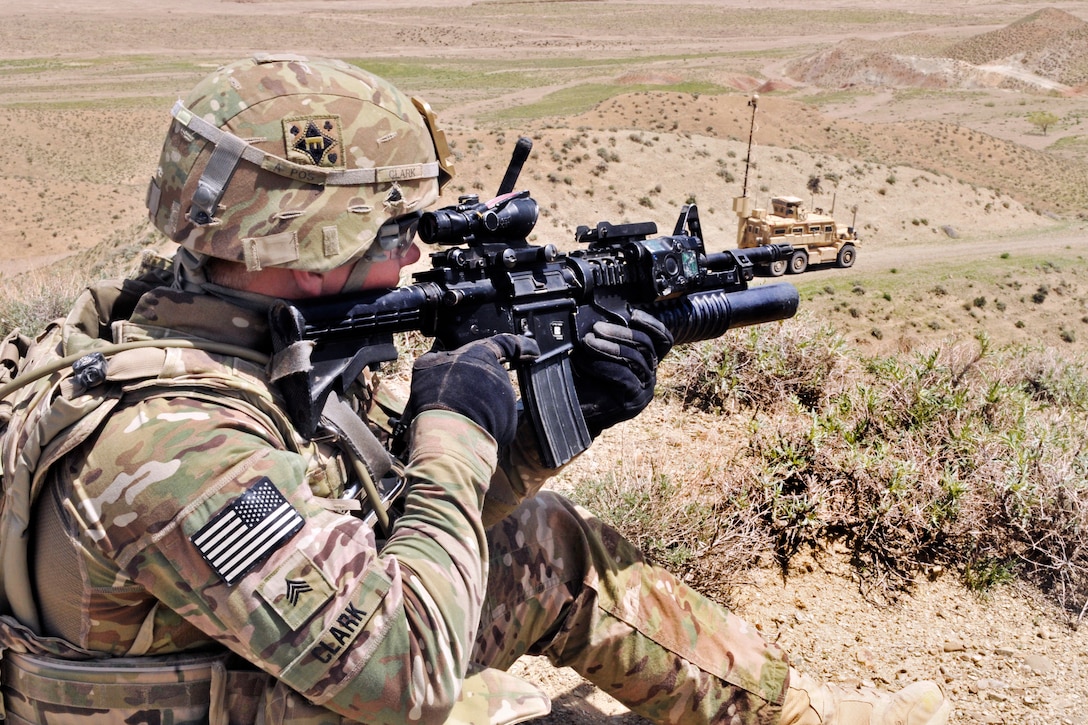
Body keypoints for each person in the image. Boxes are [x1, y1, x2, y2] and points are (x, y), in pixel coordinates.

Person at [0, 54, 951, 725]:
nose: (415, 250)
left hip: (227, 655)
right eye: (391, 226)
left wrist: (536, 431)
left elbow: (348, 525)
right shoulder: (171, 443)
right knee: (493, 699)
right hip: (246, 687)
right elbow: (401, 673)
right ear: (309, 238)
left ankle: (801, 715)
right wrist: (453, 432)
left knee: (546, 539)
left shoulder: (181, 325)